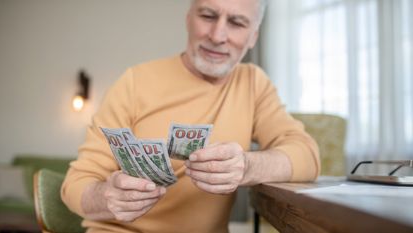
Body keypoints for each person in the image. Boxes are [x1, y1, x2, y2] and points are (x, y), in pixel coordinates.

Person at [61, 0, 320, 232]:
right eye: (207, 16)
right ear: (188, 19)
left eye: (236, 23)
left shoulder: (253, 84)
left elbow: (307, 155)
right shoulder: (134, 82)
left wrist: (247, 166)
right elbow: (75, 185)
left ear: (253, 36)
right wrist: (106, 196)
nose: (218, 35)